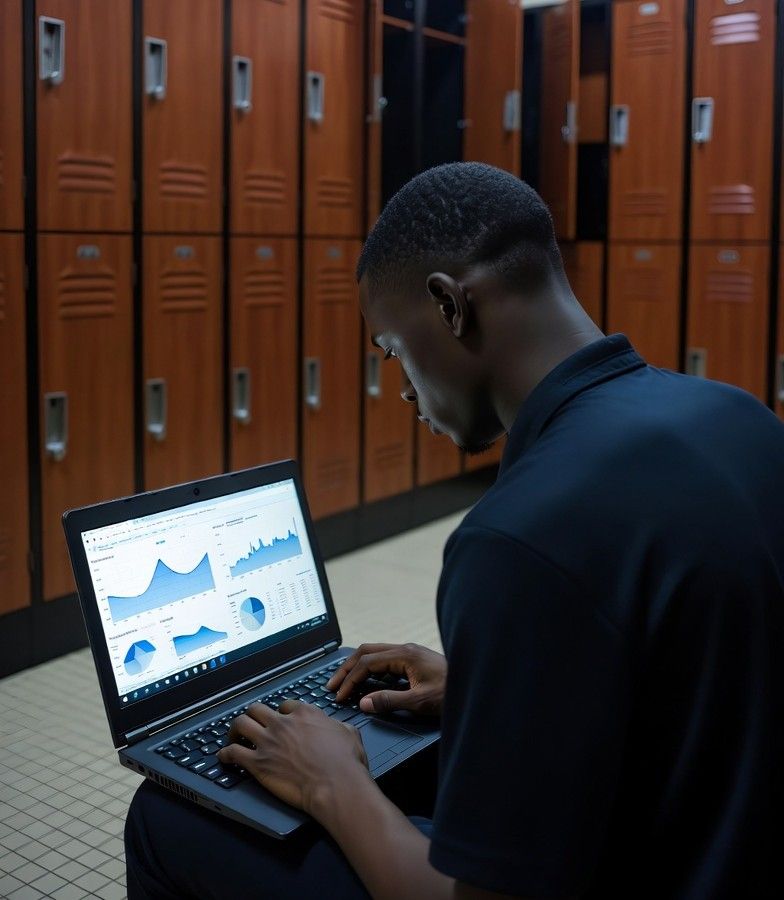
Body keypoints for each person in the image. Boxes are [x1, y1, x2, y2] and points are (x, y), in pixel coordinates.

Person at [126, 163, 783, 899]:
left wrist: (332, 783)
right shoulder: (742, 419)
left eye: (395, 352)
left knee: (164, 817)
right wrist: (489, 686)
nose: (403, 388)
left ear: (448, 306)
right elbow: (693, 677)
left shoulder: (517, 537)